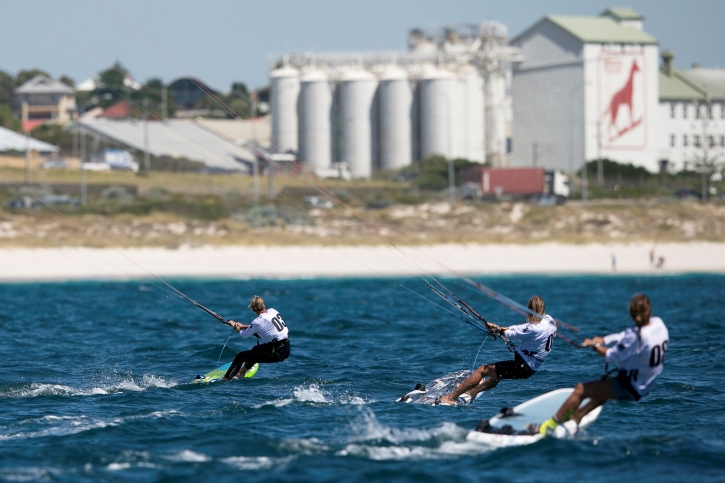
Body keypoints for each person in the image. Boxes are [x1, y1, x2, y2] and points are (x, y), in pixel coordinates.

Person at [538, 293, 668, 435]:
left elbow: (611, 355)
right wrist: (604, 339)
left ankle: (549, 426)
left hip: (630, 386)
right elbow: (624, 336)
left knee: (580, 390)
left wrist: (594, 346)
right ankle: (577, 417)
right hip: (646, 384)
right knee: (602, 389)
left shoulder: (636, 336)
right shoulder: (658, 324)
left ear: (631, 313)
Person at [437, 295, 557, 406]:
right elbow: (521, 328)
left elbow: (511, 334)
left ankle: (450, 398)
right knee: (497, 374)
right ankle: (473, 392)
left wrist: (497, 330)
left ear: (529, 310)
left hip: (522, 366)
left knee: (481, 371)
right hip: (531, 368)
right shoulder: (550, 321)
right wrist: (498, 328)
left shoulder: (535, 328)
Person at [223, 295, 290, 380]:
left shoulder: (257, 322)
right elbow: (263, 327)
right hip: (286, 347)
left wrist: (234, 325)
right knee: (256, 349)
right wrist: (243, 326)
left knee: (240, 356)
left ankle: (226, 379)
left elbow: (245, 335)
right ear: (263, 305)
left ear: (253, 309)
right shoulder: (273, 311)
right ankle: (242, 371)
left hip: (277, 352)